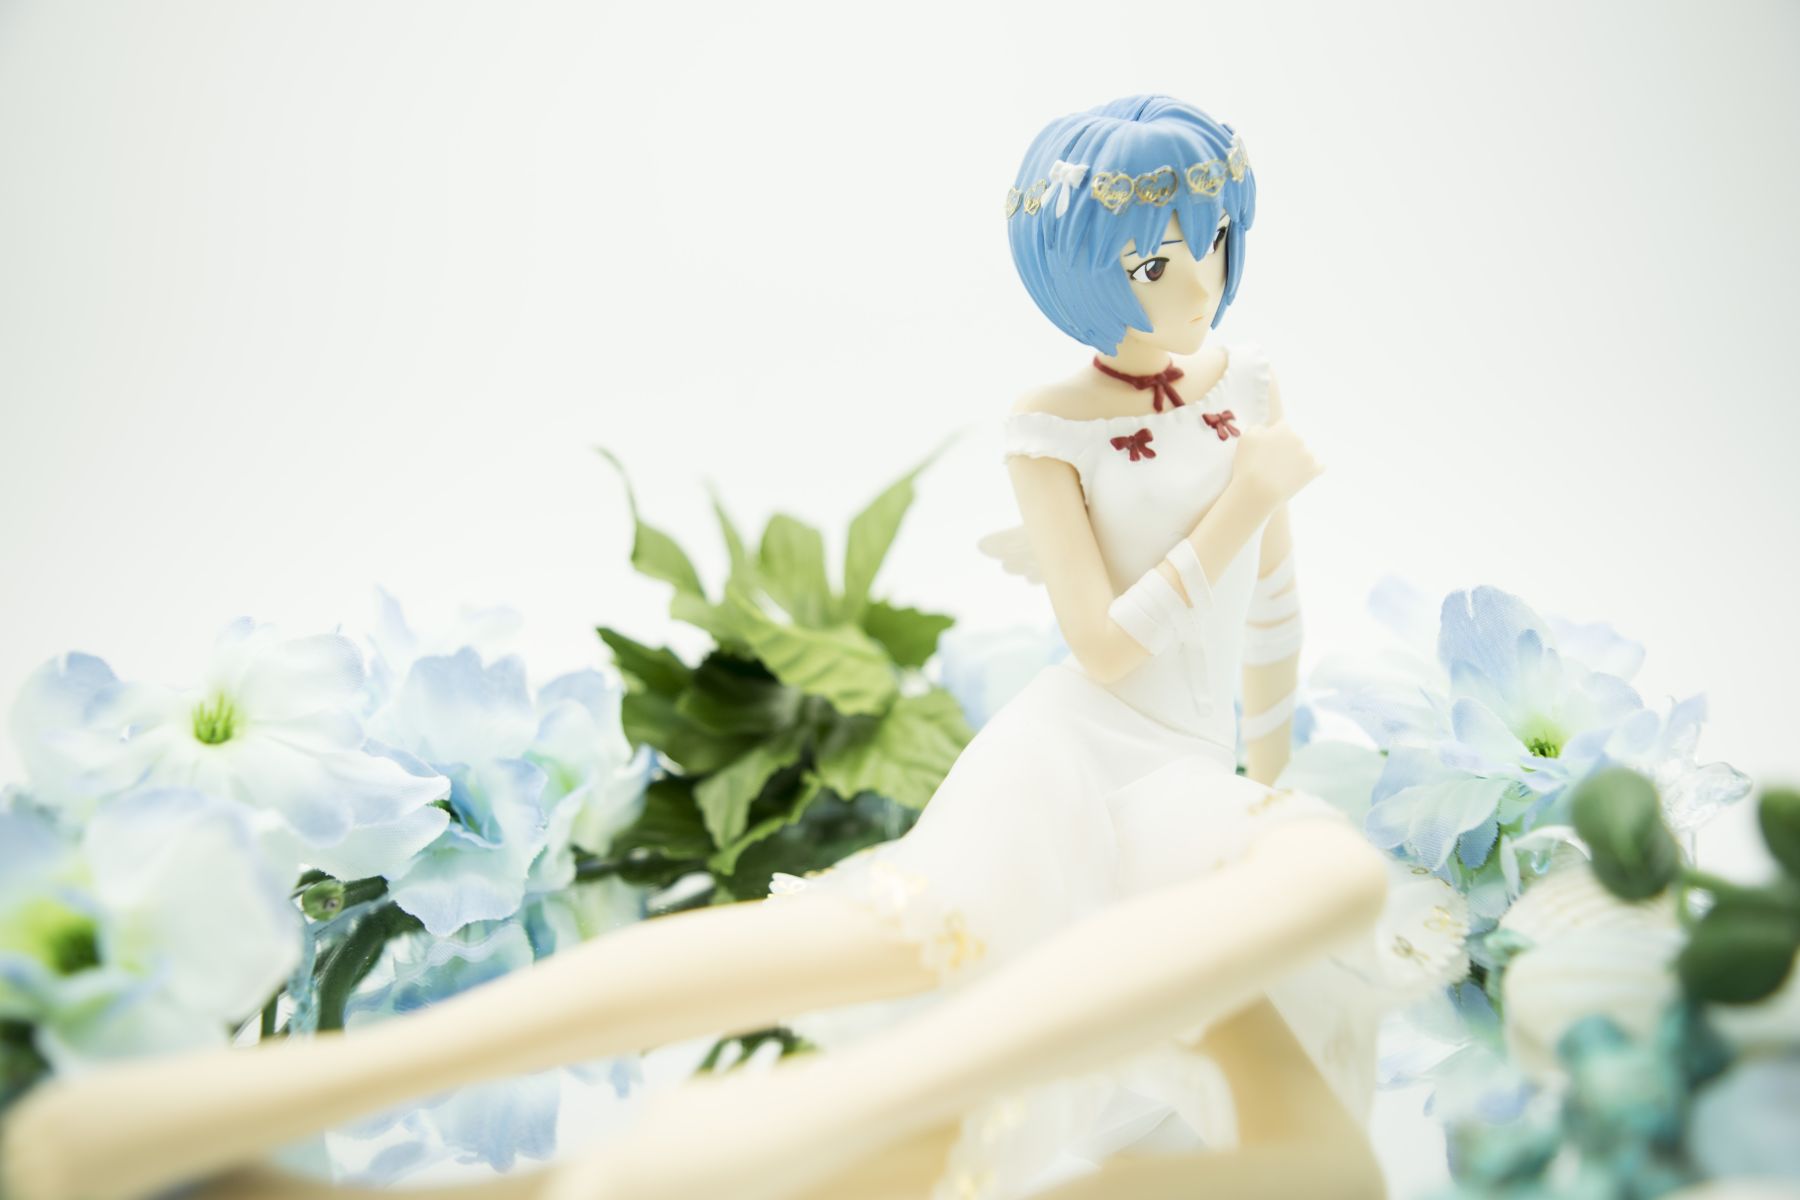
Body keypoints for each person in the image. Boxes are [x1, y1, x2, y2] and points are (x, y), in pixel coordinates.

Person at [0, 95, 1468, 1200]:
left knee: (1299, 1134)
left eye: (1209, 244)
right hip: (1090, 746)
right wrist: (1245, 511)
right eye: (1153, 260)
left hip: (1192, 788)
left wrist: (1266, 751)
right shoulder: (1052, 429)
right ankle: (297, 1094)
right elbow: (1100, 645)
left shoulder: (1248, 380)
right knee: (874, 938)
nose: (1192, 284)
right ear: (1086, 273)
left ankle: (723, 1140)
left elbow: (1274, 602)